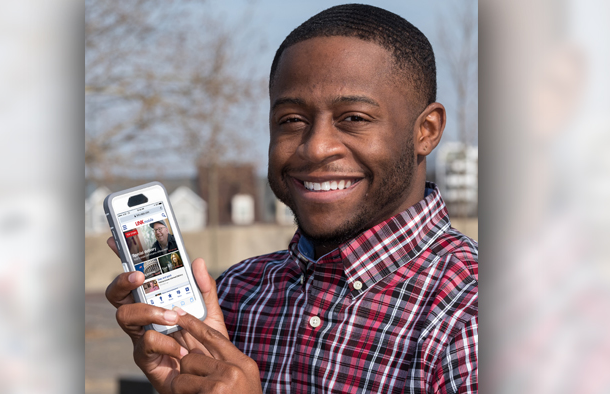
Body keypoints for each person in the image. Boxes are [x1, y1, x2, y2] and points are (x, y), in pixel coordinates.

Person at [105, 4, 477, 393]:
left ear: (427, 131)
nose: (315, 148)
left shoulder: (474, 314)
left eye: (353, 118)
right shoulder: (237, 294)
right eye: (292, 120)